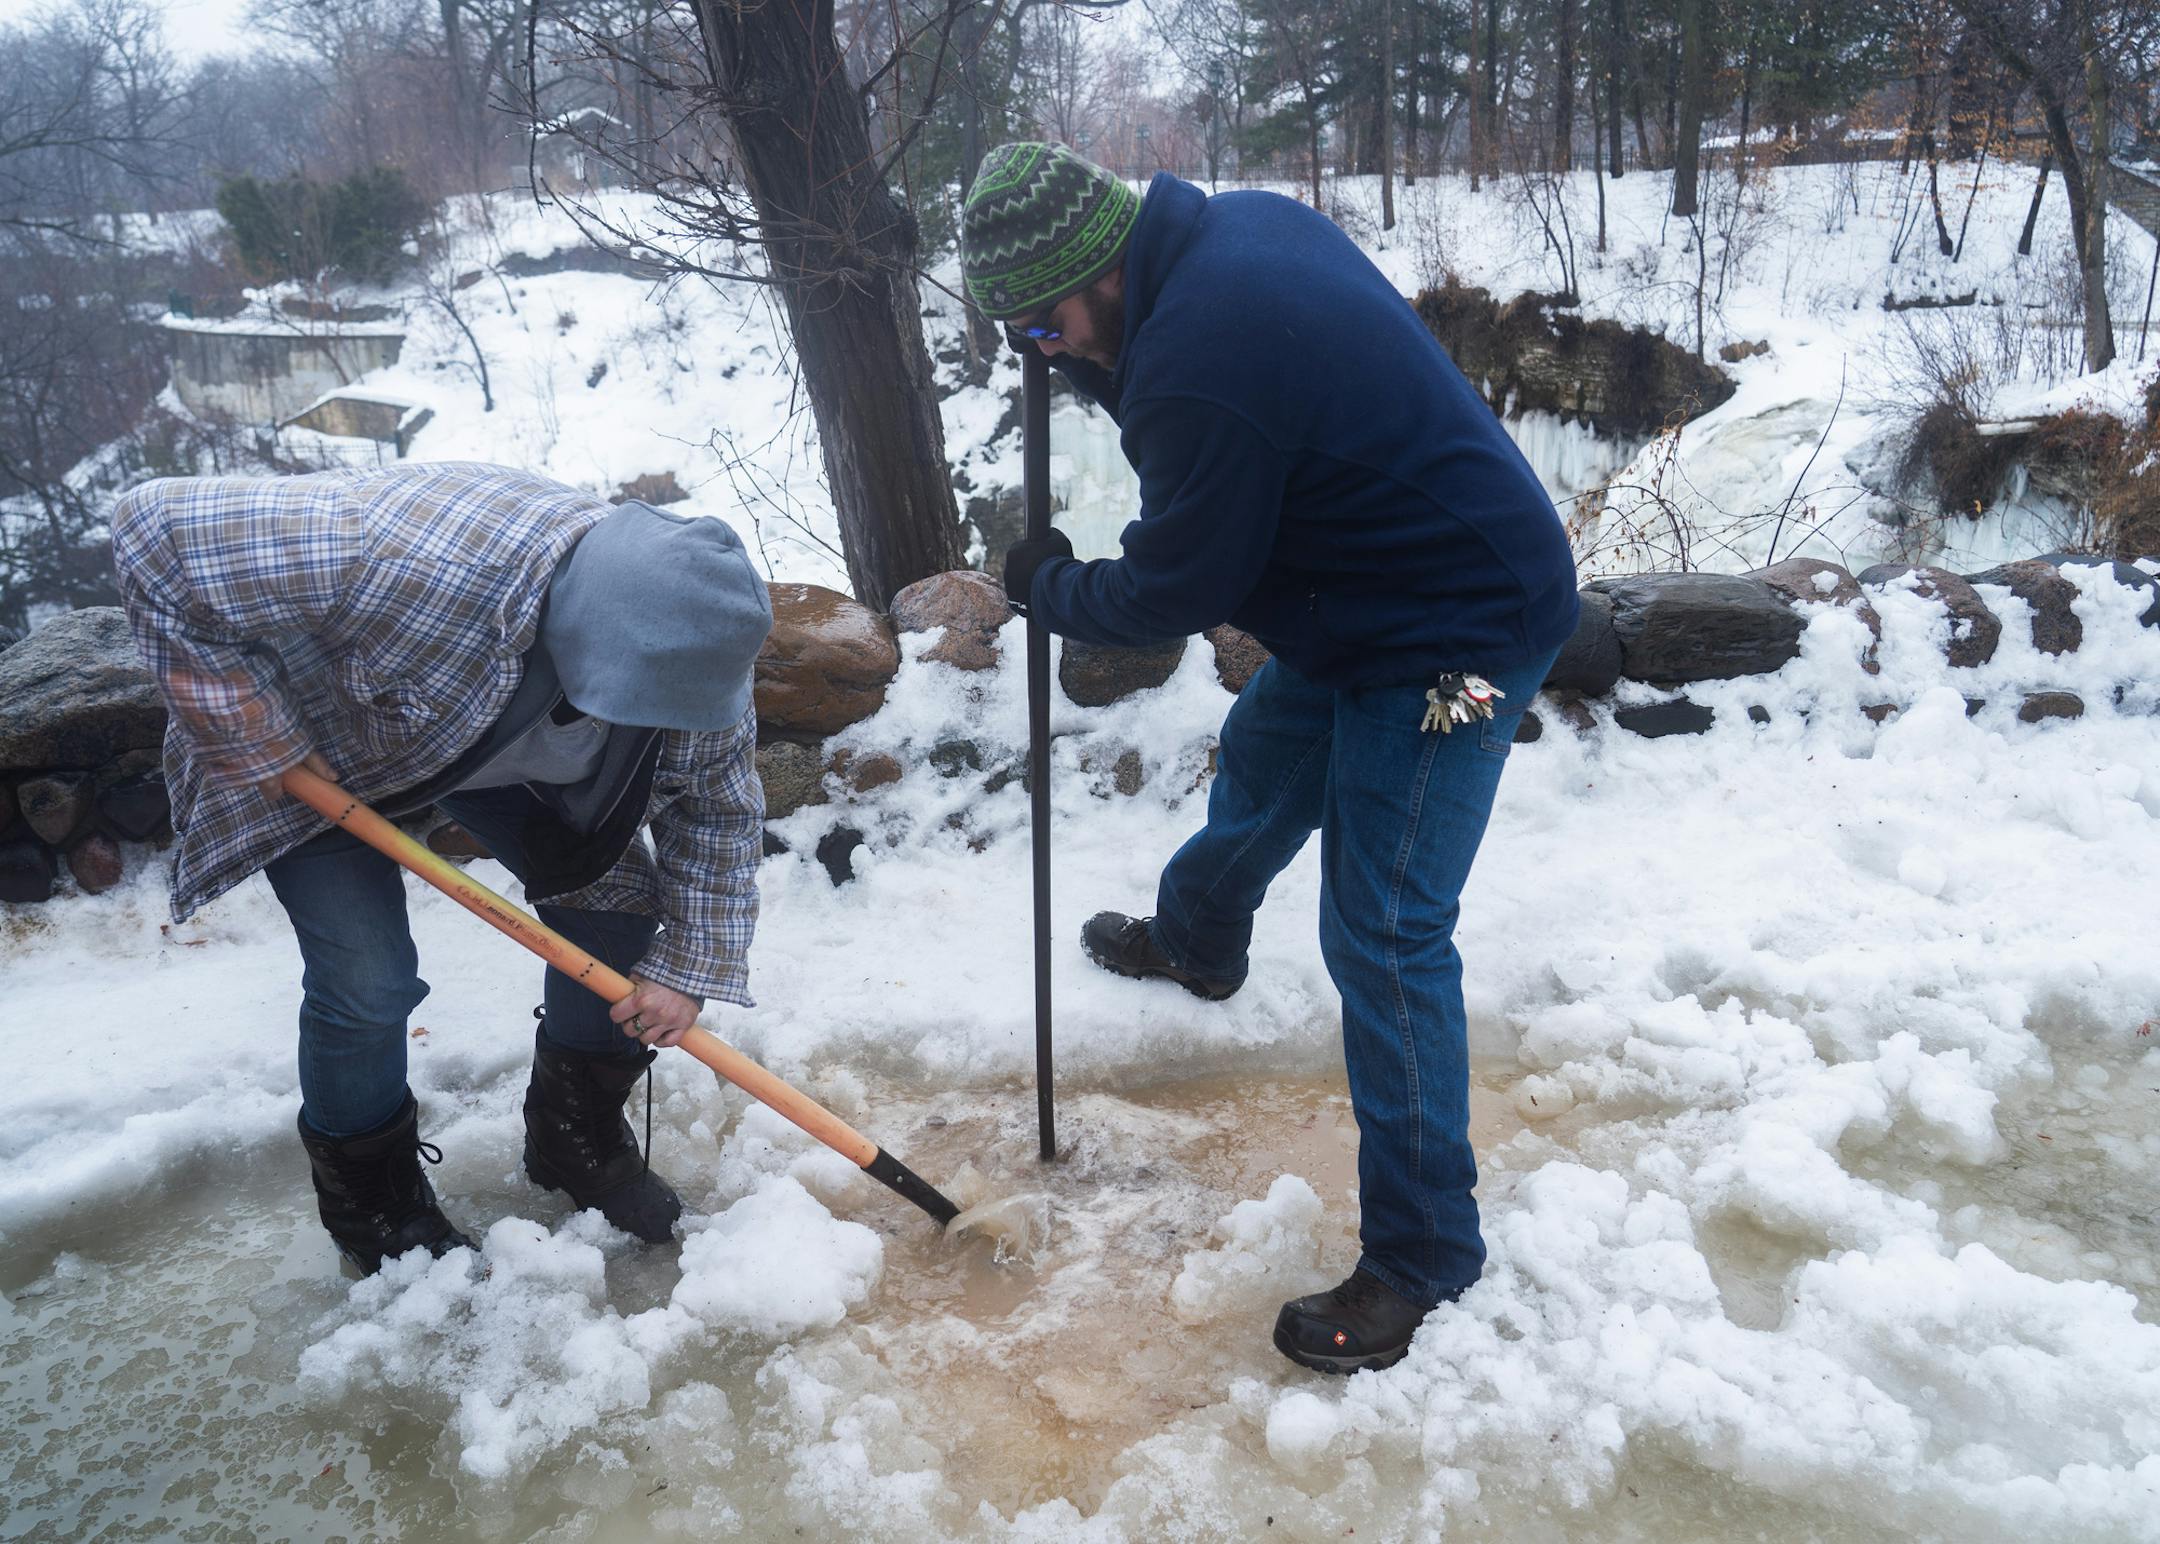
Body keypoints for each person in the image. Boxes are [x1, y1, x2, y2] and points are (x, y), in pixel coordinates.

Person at [963, 143, 1581, 1374]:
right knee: (1266, 754)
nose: (1051, 351)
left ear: (1098, 271)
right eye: (1024, 338)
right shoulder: (1225, 235)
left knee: (1385, 926)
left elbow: (1175, 584)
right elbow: (1161, 384)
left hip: (1466, 645)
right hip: (1365, 605)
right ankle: (1199, 939)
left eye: (1046, 325)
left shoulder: (1200, 363)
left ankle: (1423, 1256)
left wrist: (1050, 587)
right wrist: (1067, 348)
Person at [111, 462, 771, 1275]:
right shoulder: (398, 551)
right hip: (318, 755)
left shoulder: (698, 646)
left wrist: (692, 963)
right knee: (368, 982)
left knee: (617, 919)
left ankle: (573, 1140)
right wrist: (258, 734)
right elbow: (154, 526)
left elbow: (718, 808)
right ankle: (375, 1205)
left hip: (485, 753)